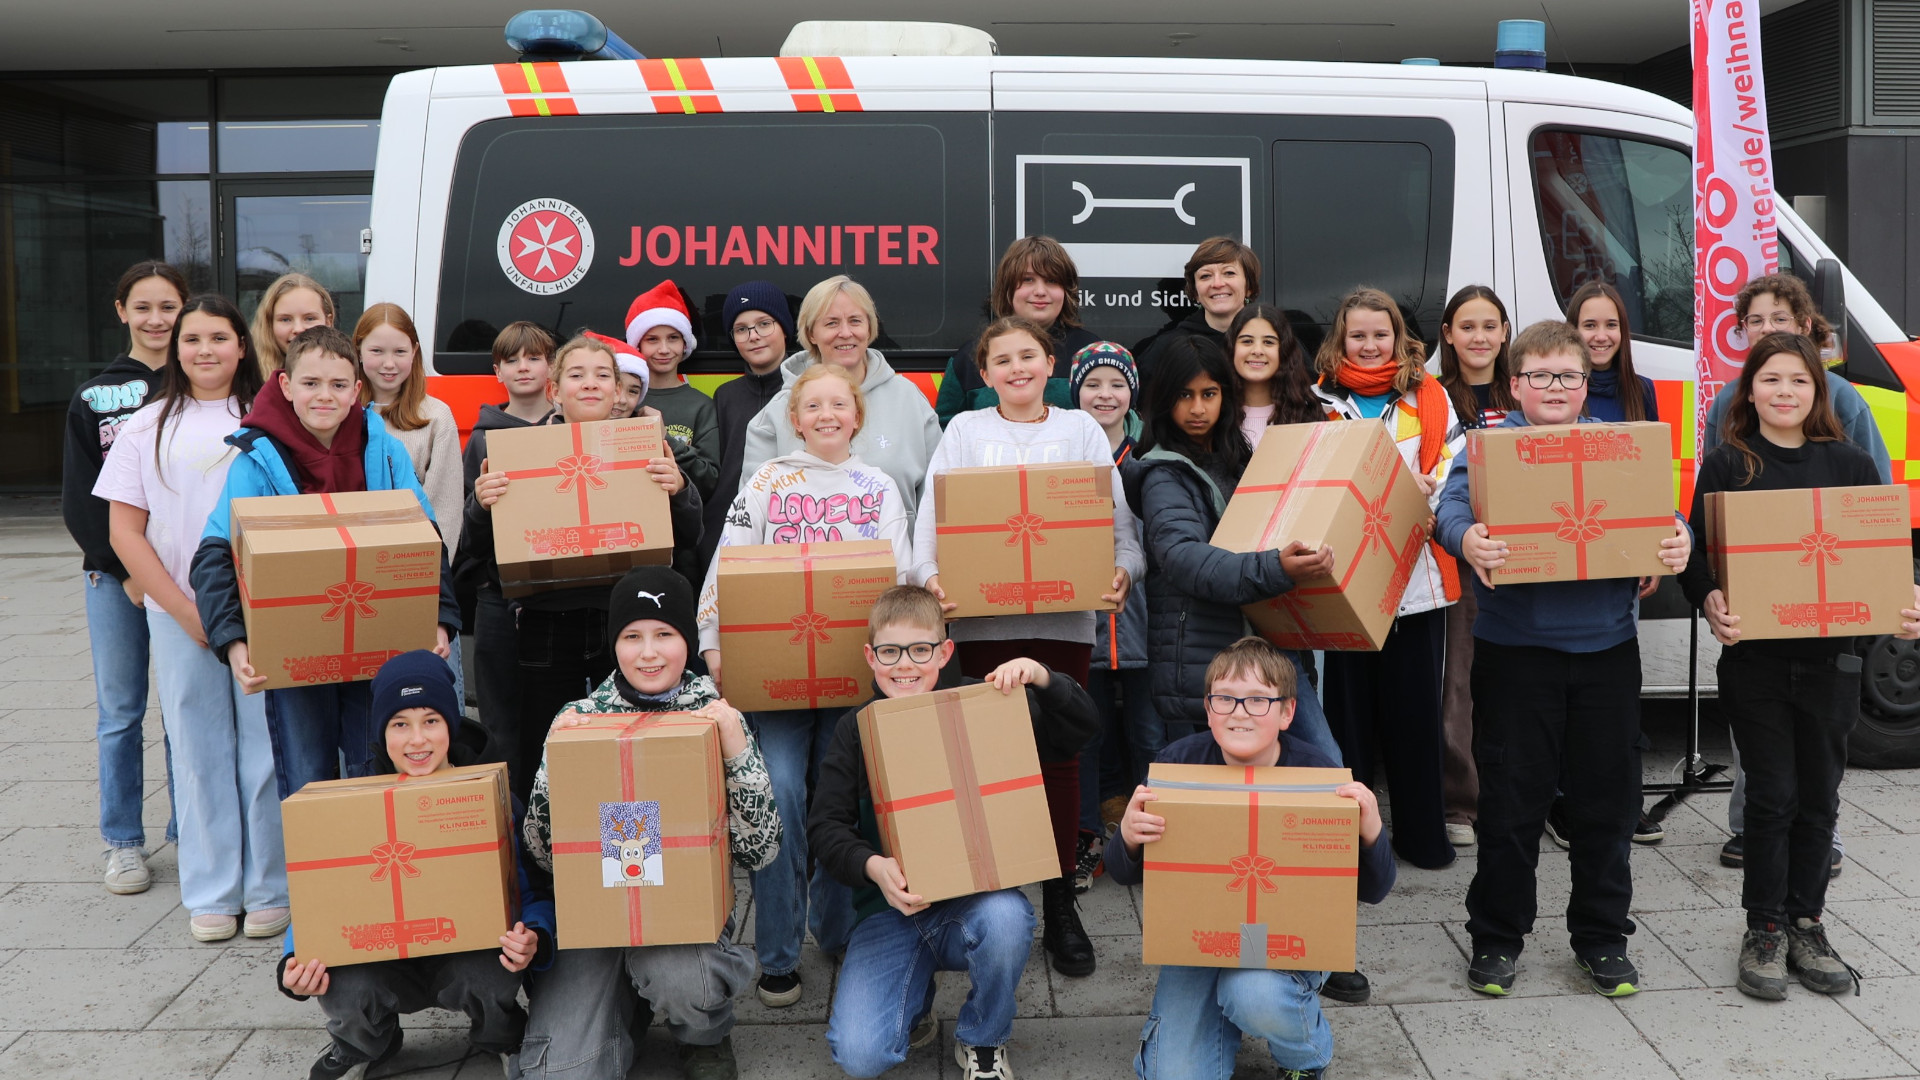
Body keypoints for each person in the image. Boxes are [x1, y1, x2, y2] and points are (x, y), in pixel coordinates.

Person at [1437, 320, 1693, 998]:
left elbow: (1666, 517)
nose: (1556, 388)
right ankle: (1495, 938)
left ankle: (1603, 938)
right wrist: (1469, 543)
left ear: (1587, 385)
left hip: (1607, 653)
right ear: (1515, 383)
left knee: (1607, 806)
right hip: (1516, 656)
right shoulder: (1491, 449)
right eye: (1541, 376)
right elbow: (1448, 510)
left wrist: (1678, 539)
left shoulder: (1618, 445)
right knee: (1512, 806)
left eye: (1569, 376)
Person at [1119, 332, 1361, 1004]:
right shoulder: (1166, 470)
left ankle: (1315, 939)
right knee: (1213, 824)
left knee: (1320, 789)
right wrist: (1275, 567)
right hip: (1206, 668)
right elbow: (1184, 559)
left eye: (1209, 393)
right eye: (1184, 395)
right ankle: (1213, 951)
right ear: (1161, 402)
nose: (1198, 407)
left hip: (1272, 660)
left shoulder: (1235, 457)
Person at [1679, 332, 1920, 1000]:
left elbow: (1880, 553)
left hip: (1832, 664)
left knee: (1818, 798)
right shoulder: (1731, 464)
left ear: (1818, 393)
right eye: (1771, 379)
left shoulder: (1847, 465)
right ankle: (1764, 929)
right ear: (1748, 389)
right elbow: (1695, 552)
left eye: (1799, 381)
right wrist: (1710, 599)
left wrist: (1905, 599)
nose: (1784, 392)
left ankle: (1807, 922)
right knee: (1772, 795)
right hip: (1754, 661)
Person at [911, 315, 1146, 980]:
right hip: (980, 624)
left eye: (1029, 356)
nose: (1016, 368)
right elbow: (930, 522)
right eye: (1002, 360)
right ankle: (991, 896)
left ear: (1051, 365)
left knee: (1059, 755)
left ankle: (1061, 903)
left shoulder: (1077, 431)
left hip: (1062, 623)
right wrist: (928, 579)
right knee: (984, 759)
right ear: (983, 375)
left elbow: (1118, 526)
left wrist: (1125, 570)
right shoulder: (964, 431)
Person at [808, 585, 1098, 1080]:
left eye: (921, 650)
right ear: (870, 657)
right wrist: (871, 866)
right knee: (860, 1058)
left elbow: (1080, 732)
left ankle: (983, 1039)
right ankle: (913, 1001)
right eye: (890, 652)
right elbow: (825, 827)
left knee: (1009, 920)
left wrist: (1044, 679)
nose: (905, 665)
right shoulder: (857, 729)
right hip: (889, 912)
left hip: (974, 902)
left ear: (944, 651)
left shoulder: (984, 705)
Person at [694, 363, 910, 1008]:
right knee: (781, 795)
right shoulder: (768, 480)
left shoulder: (879, 488)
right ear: (795, 419)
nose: (825, 415)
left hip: (853, 678)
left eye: (837, 404)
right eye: (812, 406)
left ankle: (842, 937)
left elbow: (899, 577)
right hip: (777, 681)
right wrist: (712, 643)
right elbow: (725, 565)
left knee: (841, 803)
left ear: (857, 415)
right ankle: (779, 951)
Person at [519, 567, 782, 1080]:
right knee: (563, 1072)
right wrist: (557, 765)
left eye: (665, 634)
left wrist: (738, 755)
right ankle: (627, 1007)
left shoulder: (716, 716)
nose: (649, 653)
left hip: (685, 915)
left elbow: (762, 852)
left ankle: (702, 1033)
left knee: (683, 978)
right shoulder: (580, 715)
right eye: (632, 636)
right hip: (597, 919)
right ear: (614, 644)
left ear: (688, 640)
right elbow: (541, 852)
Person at [190, 325, 462, 798]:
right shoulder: (255, 460)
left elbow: (426, 541)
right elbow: (215, 555)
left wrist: (440, 620)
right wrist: (234, 642)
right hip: (295, 654)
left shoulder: (388, 452)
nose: (324, 396)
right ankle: (316, 869)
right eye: (311, 384)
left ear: (357, 390)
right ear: (286, 386)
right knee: (307, 775)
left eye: (338, 386)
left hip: (382, 644)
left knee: (375, 768)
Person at [1106, 637, 1395, 1080]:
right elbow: (1130, 873)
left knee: (1254, 994)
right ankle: (1215, 1020)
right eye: (1225, 699)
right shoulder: (1177, 767)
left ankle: (1304, 1056)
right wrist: (1127, 838)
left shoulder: (1318, 777)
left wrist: (1372, 831)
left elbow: (1374, 890)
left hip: (1282, 941)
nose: (1239, 712)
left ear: (1287, 713)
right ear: (1208, 709)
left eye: (1258, 700)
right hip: (1197, 943)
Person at [96, 293, 284, 943]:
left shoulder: (269, 418)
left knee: (266, 749)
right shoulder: (145, 424)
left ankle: (269, 885)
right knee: (198, 750)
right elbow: (125, 531)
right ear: (175, 350)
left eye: (219, 338)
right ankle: (212, 889)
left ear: (242, 346)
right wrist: (180, 609)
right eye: (191, 339)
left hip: (267, 612)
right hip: (180, 614)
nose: (205, 351)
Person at [278, 651, 553, 1080]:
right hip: (381, 954)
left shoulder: (493, 798)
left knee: (493, 969)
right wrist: (294, 958)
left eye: (431, 721)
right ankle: (366, 1041)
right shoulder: (350, 805)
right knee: (343, 984)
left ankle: (502, 1033)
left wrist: (533, 933)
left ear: (451, 725)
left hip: (465, 950)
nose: (417, 740)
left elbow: (532, 889)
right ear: (382, 732)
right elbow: (321, 892)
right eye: (399, 724)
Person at [1702, 271, 1892, 874]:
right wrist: (1711, 591)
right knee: (1761, 749)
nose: (1768, 331)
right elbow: (1716, 517)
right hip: (1757, 626)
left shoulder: (1848, 408)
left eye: (1779, 320)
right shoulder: (1729, 411)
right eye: (1755, 322)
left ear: (1806, 327)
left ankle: (1815, 849)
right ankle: (1750, 828)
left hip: (1826, 622)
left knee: (1816, 760)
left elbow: (1874, 511)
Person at [464, 334, 702, 804]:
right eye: (576, 375)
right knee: (549, 749)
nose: (590, 384)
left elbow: (688, 536)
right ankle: (554, 861)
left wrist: (679, 490)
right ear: (554, 390)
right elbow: (481, 550)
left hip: (629, 621)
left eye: (602, 376)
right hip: (546, 621)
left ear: (620, 390)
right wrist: (481, 504)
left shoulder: (647, 446)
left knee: (636, 742)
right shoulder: (518, 451)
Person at [1310, 287, 1461, 872]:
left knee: (1416, 717)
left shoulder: (1431, 395)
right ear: (1339, 340)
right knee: (1348, 721)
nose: (1370, 346)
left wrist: (1428, 488)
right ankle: (1353, 847)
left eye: (1381, 335)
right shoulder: (1318, 397)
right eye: (1358, 336)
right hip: (1343, 585)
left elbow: (1456, 464)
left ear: (1400, 339)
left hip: (1417, 581)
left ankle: (1423, 838)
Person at [62, 259, 187, 896]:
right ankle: (123, 843)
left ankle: (188, 832)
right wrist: (125, 569)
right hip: (115, 580)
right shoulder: (93, 396)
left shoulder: (201, 384)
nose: (157, 320)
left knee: (185, 710)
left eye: (168, 307)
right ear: (122, 313)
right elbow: (83, 502)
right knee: (120, 712)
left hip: (187, 575)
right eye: (144, 307)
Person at [740, 275, 942, 526]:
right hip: (805, 563)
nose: (845, 333)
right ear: (811, 333)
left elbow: (940, 497)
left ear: (869, 328)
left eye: (855, 321)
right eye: (832, 323)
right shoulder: (777, 412)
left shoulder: (909, 399)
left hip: (900, 561)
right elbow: (751, 514)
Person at [1066, 342, 1154, 889]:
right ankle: (1086, 839)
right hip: (1085, 629)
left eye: (1117, 385)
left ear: (1132, 394)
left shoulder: (1150, 461)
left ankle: (1152, 841)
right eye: (1093, 384)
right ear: (1076, 393)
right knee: (1085, 736)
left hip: (1145, 627)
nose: (1105, 394)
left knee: (1150, 736)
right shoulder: (1066, 459)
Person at [457, 321, 555, 802]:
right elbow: (468, 537)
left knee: (549, 724)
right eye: (512, 360)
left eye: (533, 357)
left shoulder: (571, 430)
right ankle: (506, 836)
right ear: (497, 371)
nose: (523, 367)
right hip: (498, 598)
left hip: (557, 598)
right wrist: (481, 503)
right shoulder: (481, 439)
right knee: (500, 727)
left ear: (550, 366)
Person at [1432, 285, 1515, 849]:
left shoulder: (1528, 387)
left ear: (1505, 332)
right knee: (1457, 680)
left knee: (1516, 680)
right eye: (1467, 326)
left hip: (1527, 555)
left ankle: (1512, 795)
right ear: (1447, 334)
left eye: (1490, 325)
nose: (1479, 337)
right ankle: (1460, 803)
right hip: (1459, 556)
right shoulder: (1434, 398)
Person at [354, 302, 468, 706]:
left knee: (434, 696)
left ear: (415, 353)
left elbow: (446, 508)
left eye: (400, 352)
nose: (389, 363)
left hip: (418, 585)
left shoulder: (435, 416)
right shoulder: (340, 413)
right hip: (357, 585)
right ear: (358, 351)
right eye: (377, 351)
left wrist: (427, 589)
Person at [934, 236, 1099, 427]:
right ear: (1007, 288)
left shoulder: (1092, 352)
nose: (1040, 291)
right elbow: (946, 431)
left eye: (1052, 280)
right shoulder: (969, 358)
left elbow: (1113, 426)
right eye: (1028, 280)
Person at [698, 281, 796, 572]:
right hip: (731, 534)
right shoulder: (725, 396)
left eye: (764, 324)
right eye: (741, 329)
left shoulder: (809, 389)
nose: (753, 336)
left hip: (792, 529)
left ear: (785, 328)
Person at [626, 279, 720, 502]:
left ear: (686, 344)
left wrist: (664, 436)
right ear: (637, 345)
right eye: (652, 340)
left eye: (673, 338)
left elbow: (710, 478)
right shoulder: (622, 401)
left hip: (684, 524)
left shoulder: (702, 406)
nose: (664, 349)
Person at [1133, 237, 1258, 374]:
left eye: (1229, 273)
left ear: (1249, 287)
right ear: (1195, 292)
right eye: (1205, 276)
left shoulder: (1273, 343)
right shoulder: (1166, 349)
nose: (1217, 283)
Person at [1228, 302, 1321, 449]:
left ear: (1284, 351)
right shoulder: (1216, 415)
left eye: (1268, 342)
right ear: (1232, 348)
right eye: (1247, 341)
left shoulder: (1308, 414)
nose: (1257, 350)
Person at [1564, 281, 1658, 423]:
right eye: (1590, 325)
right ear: (1573, 330)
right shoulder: (1558, 389)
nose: (1601, 337)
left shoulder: (1643, 389)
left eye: (1611, 325)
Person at [250, 272, 336, 376]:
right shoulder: (249, 382)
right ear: (269, 324)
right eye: (285, 319)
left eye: (309, 318)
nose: (298, 329)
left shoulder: (347, 375)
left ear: (328, 322)